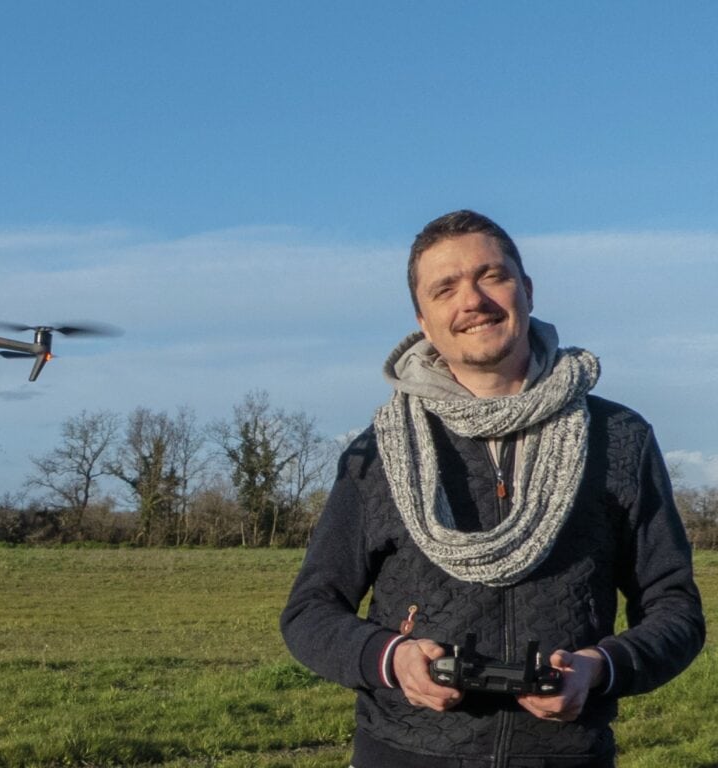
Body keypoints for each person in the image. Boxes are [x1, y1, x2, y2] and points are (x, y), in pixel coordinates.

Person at [280, 210, 705, 768]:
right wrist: (392, 658)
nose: (472, 300)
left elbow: (675, 609)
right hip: (406, 751)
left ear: (526, 290)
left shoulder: (619, 437)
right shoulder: (379, 450)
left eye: (491, 276)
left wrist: (600, 669)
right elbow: (310, 611)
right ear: (424, 321)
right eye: (445, 288)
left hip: (566, 755)